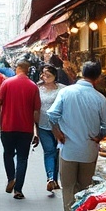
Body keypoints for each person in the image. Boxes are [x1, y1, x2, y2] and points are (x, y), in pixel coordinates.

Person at [49, 60, 106, 211]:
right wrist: (99, 135)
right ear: (98, 78)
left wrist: (56, 132)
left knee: (68, 188)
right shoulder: (99, 98)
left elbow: (52, 115)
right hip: (88, 150)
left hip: (68, 149)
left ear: (81, 73)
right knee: (85, 188)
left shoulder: (66, 92)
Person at [0, 58, 41, 200]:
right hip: (26, 128)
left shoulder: (7, 83)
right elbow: (36, 111)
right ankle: (18, 189)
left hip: (8, 126)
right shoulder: (33, 86)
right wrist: (36, 130)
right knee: (22, 158)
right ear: (28, 69)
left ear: (16, 67)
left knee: (8, 154)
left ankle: (10, 178)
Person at [35, 65, 66, 197]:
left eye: (48, 75)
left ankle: (56, 179)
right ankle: (50, 178)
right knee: (49, 151)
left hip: (60, 126)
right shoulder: (37, 89)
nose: (45, 77)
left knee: (58, 152)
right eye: (43, 74)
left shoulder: (63, 89)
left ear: (55, 75)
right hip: (43, 125)